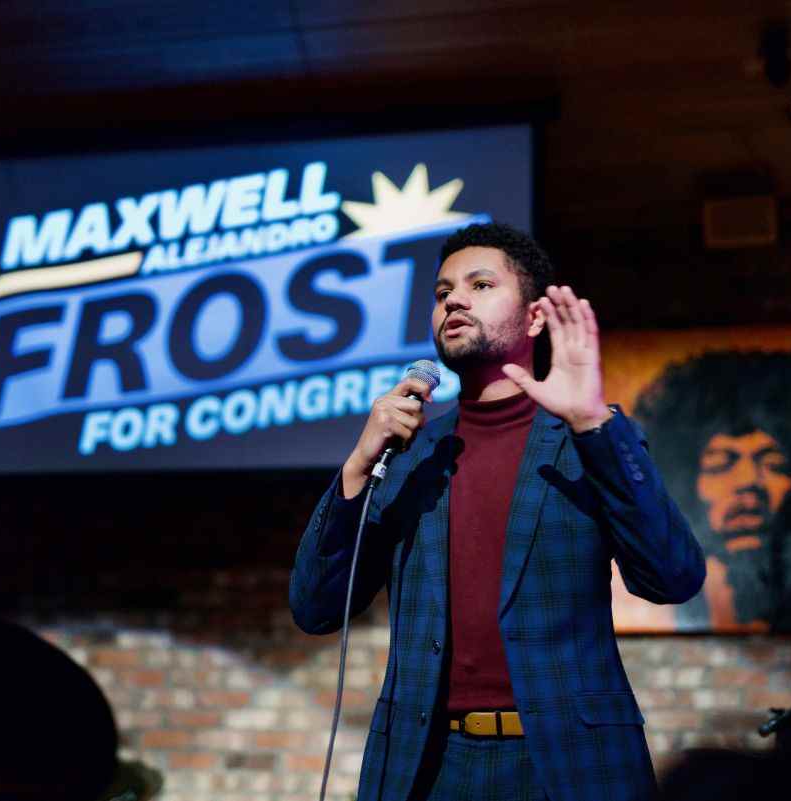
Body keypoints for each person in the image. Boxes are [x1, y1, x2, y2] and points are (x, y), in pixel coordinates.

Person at [289, 222, 705, 801]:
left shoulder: (587, 439)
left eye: (480, 284)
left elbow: (674, 578)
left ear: (535, 318)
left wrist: (592, 425)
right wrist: (358, 466)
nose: (454, 299)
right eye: (442, 293)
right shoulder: (409, 456)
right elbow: (314, 608)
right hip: (427, 766)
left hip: (567, 764)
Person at [631, 350, 791, 631]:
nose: (749, 481)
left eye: (774, 464)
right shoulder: (652, 600)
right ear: (684, 481)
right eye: (721, 463)